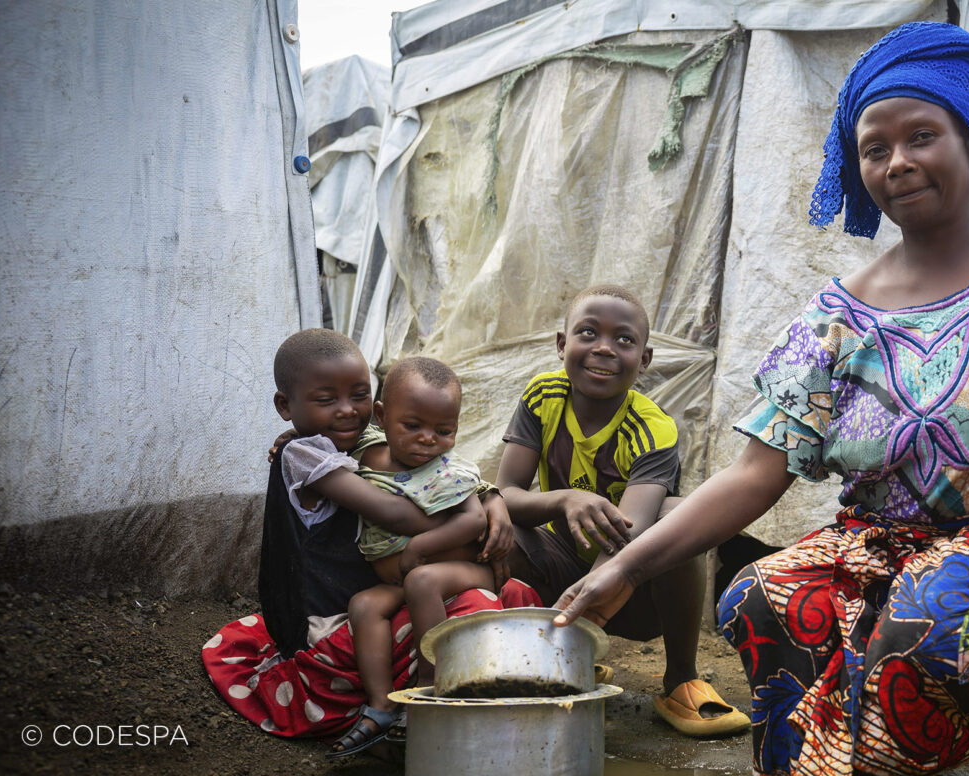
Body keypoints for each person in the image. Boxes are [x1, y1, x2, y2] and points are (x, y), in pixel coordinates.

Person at [552, 22, 969, 776]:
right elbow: (755, 474)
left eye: (921, 135)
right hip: (875, 541)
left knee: (932, 612)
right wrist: (626, 567)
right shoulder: (837, 319)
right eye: (873, 148)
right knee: (763, 595)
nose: (897, 162)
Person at [203, 329, 538, 741]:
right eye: (326, 400)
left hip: (378, 594)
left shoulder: (366, 441)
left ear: (376, 407)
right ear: (284, 405)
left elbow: (441, 475)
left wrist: (488, 498)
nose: (346, 411)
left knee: (470, 594)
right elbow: (396, 512)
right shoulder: (305, 453)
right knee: (473, 604)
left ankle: (424, 698)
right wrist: (467, 527)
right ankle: (413, 701)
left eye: (358, 395)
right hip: (324, 625)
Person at [496, 284, 750, 737]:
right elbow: (507, 491)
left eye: (624, 340)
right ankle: (554, 658)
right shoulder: (542, 398)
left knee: (678, 516)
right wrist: (564, 499)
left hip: (636, 587)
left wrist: (587, 610)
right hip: (562, 568)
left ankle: (680, 680)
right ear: (561, 344)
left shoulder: (652, 428)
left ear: (645, 359)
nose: (604, 349)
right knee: (497, 523)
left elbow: (629, 531)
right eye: (588, 332)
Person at [330, 356, 498, 757]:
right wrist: (290, 438)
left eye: (444, 431)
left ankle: (428, 689)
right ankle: (381, 705)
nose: (428, 439)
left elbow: (473, 520)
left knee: (422, 581)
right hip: (396, 581)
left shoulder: (446, 471)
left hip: (461, 571)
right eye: (413, 426)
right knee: (363, 605)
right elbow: (322, 437)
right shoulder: (367, 449)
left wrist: (420, 547)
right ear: (382, 417)